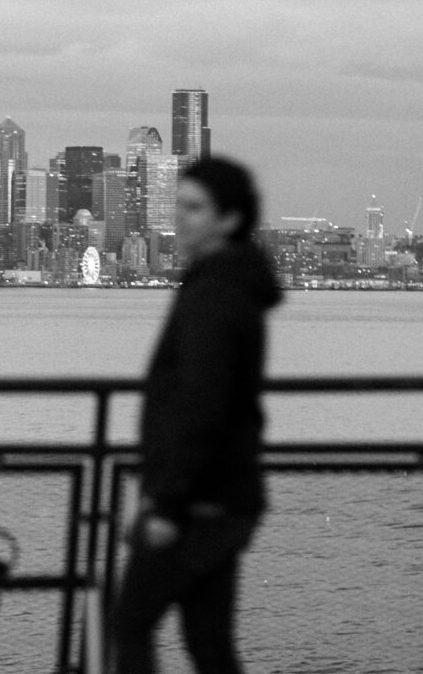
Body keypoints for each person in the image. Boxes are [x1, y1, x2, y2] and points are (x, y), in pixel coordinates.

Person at [110, 157, 282, 674]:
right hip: (225, 495)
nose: (181, 219)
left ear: (229, 219)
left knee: (129, 626)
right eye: (178, 206)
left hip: (197, 502)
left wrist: (165, 503)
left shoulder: (215, 294)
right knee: (207, 642)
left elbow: (200, 405)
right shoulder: (229, 284)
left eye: (195, 208)